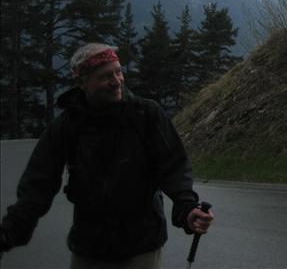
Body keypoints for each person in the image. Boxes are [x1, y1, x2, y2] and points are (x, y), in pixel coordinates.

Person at [0, 43, 213, 268]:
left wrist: (187, 209)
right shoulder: (67, 126)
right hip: (89, 248)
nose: (117, 81)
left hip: (140, 247)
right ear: (82, 82)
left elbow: (174, 168)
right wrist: (8, 233)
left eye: (118, 72)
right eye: (105, 76)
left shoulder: (146, 115)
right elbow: (37, 186)